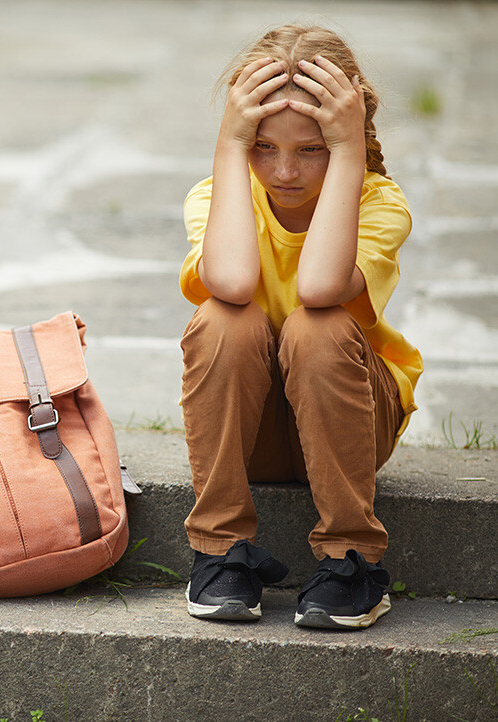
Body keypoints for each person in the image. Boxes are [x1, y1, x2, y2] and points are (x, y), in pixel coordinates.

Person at [179, 24, 423, 629]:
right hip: (253, 430)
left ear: (344, 140)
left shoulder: (379, 203)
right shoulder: (217, 197)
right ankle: (217, 552)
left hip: (351, 424)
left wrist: (349, 154)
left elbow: (318, 290)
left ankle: (352, 560)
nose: (285, 170)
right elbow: (231, 283)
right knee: (221, 318)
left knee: (316, 327)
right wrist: (228, 144)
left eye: (311, 148)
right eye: (263, 146)